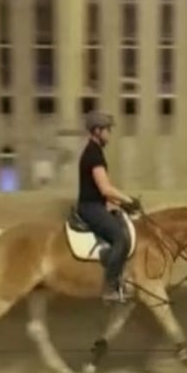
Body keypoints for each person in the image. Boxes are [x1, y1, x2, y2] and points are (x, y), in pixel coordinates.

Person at [76, 112, 140, 303]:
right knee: (120, 238)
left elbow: (102, 190)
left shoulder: (95, 151)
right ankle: (109, 287)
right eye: (107, 130)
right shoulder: (93, 154)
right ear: (97, 131)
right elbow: (105, 188)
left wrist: (121, 204)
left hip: (96, 204)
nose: (109, 134)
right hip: (90, 207)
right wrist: (129, 200)